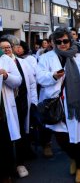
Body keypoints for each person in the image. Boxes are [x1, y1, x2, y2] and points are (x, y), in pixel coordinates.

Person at [36, 27, 80, 183]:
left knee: (78, 137)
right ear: (53, 43)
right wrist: (53, 76)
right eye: (58, 42)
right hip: (57, 101)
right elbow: (40, 77)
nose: (62, 44)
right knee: (61, 137)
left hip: (77, 103)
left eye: (65, 41)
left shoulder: (78, 57)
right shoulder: (46, 58)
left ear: (70, 41)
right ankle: (73, 158)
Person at [0, 37, 37, 178]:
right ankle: (8, 167)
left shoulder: (23, 63)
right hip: (8, 106)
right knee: (7, 137)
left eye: (8, 46)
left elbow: (32, 83)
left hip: (21, 103)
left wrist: (33, 101)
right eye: (3, 47)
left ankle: (20, 164)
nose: (6, 49)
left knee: (21, 133)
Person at [0, 41, 22, 182]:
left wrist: (6, 75)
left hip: (2, 109)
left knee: (4, 142)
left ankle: (6, 173)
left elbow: (18, 81)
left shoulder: (5, 60)